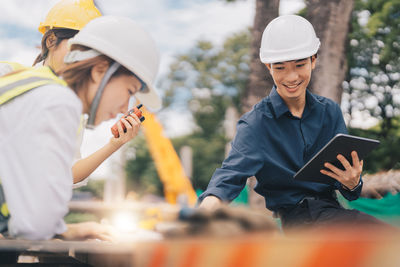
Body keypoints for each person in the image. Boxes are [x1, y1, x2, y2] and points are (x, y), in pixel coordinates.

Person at [198, 15, 385, 230]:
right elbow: (227, 179)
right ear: (268, 67)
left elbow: (346, 189)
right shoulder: (256, 124)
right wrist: (200, 217)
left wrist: (353, 184)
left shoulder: (330, 112)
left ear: (313, 61)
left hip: (333, 213)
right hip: (298, 222)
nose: (291, 77)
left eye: (299, 64)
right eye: (280, 68)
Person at [0, 15, 161, 240]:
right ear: (99, 71)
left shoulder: (38, 88)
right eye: (129, 91)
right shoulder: (60, 103)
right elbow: (34, 224)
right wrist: (72, 230)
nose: (125, 106)